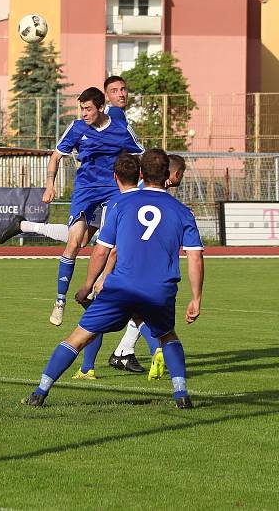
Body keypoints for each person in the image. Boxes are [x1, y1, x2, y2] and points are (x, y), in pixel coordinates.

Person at [21, 149, 204, 409]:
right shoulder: (183, 212)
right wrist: (196, 298)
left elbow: (102, 250)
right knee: (167, 336)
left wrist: (87, 285)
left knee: (79, 336)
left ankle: (40, 391)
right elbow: (195, 258)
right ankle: (181, 394)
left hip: (121, 287)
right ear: (167, 176)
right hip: (159, 290)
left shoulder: (121, 203)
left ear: (141, 174)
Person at [18, 85, 144, 327]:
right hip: (85, 193)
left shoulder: (121, 129)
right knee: (75, 242)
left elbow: (141, 155)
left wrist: (141, 186)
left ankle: (99, 287)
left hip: (112, 193)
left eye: (88, 109)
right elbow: (56, 156)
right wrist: (49, 185)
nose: (84, 113)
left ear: (100, 107)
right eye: (81, 109)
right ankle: (60, 301)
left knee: (107, 245)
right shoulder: (77, 128)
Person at [74, 153, 188, 380]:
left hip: (120, 271)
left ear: (115, 176)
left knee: (96, 317)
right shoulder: (151, 198)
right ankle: (153, 348)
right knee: (138, 316)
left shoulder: (119, 202)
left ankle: (87, 368)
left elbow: (111, 248)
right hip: (148, 273)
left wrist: (102, 277)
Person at [0, 76, 132, 247]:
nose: (121, 94)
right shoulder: (113, 115)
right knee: (110, 242)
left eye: (123, 89)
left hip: (108, 186)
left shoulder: (116, 117)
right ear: (105, 97)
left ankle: (23, 225)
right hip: (103, 187)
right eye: (114, 91)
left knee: (83, 240)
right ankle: (104, 275)